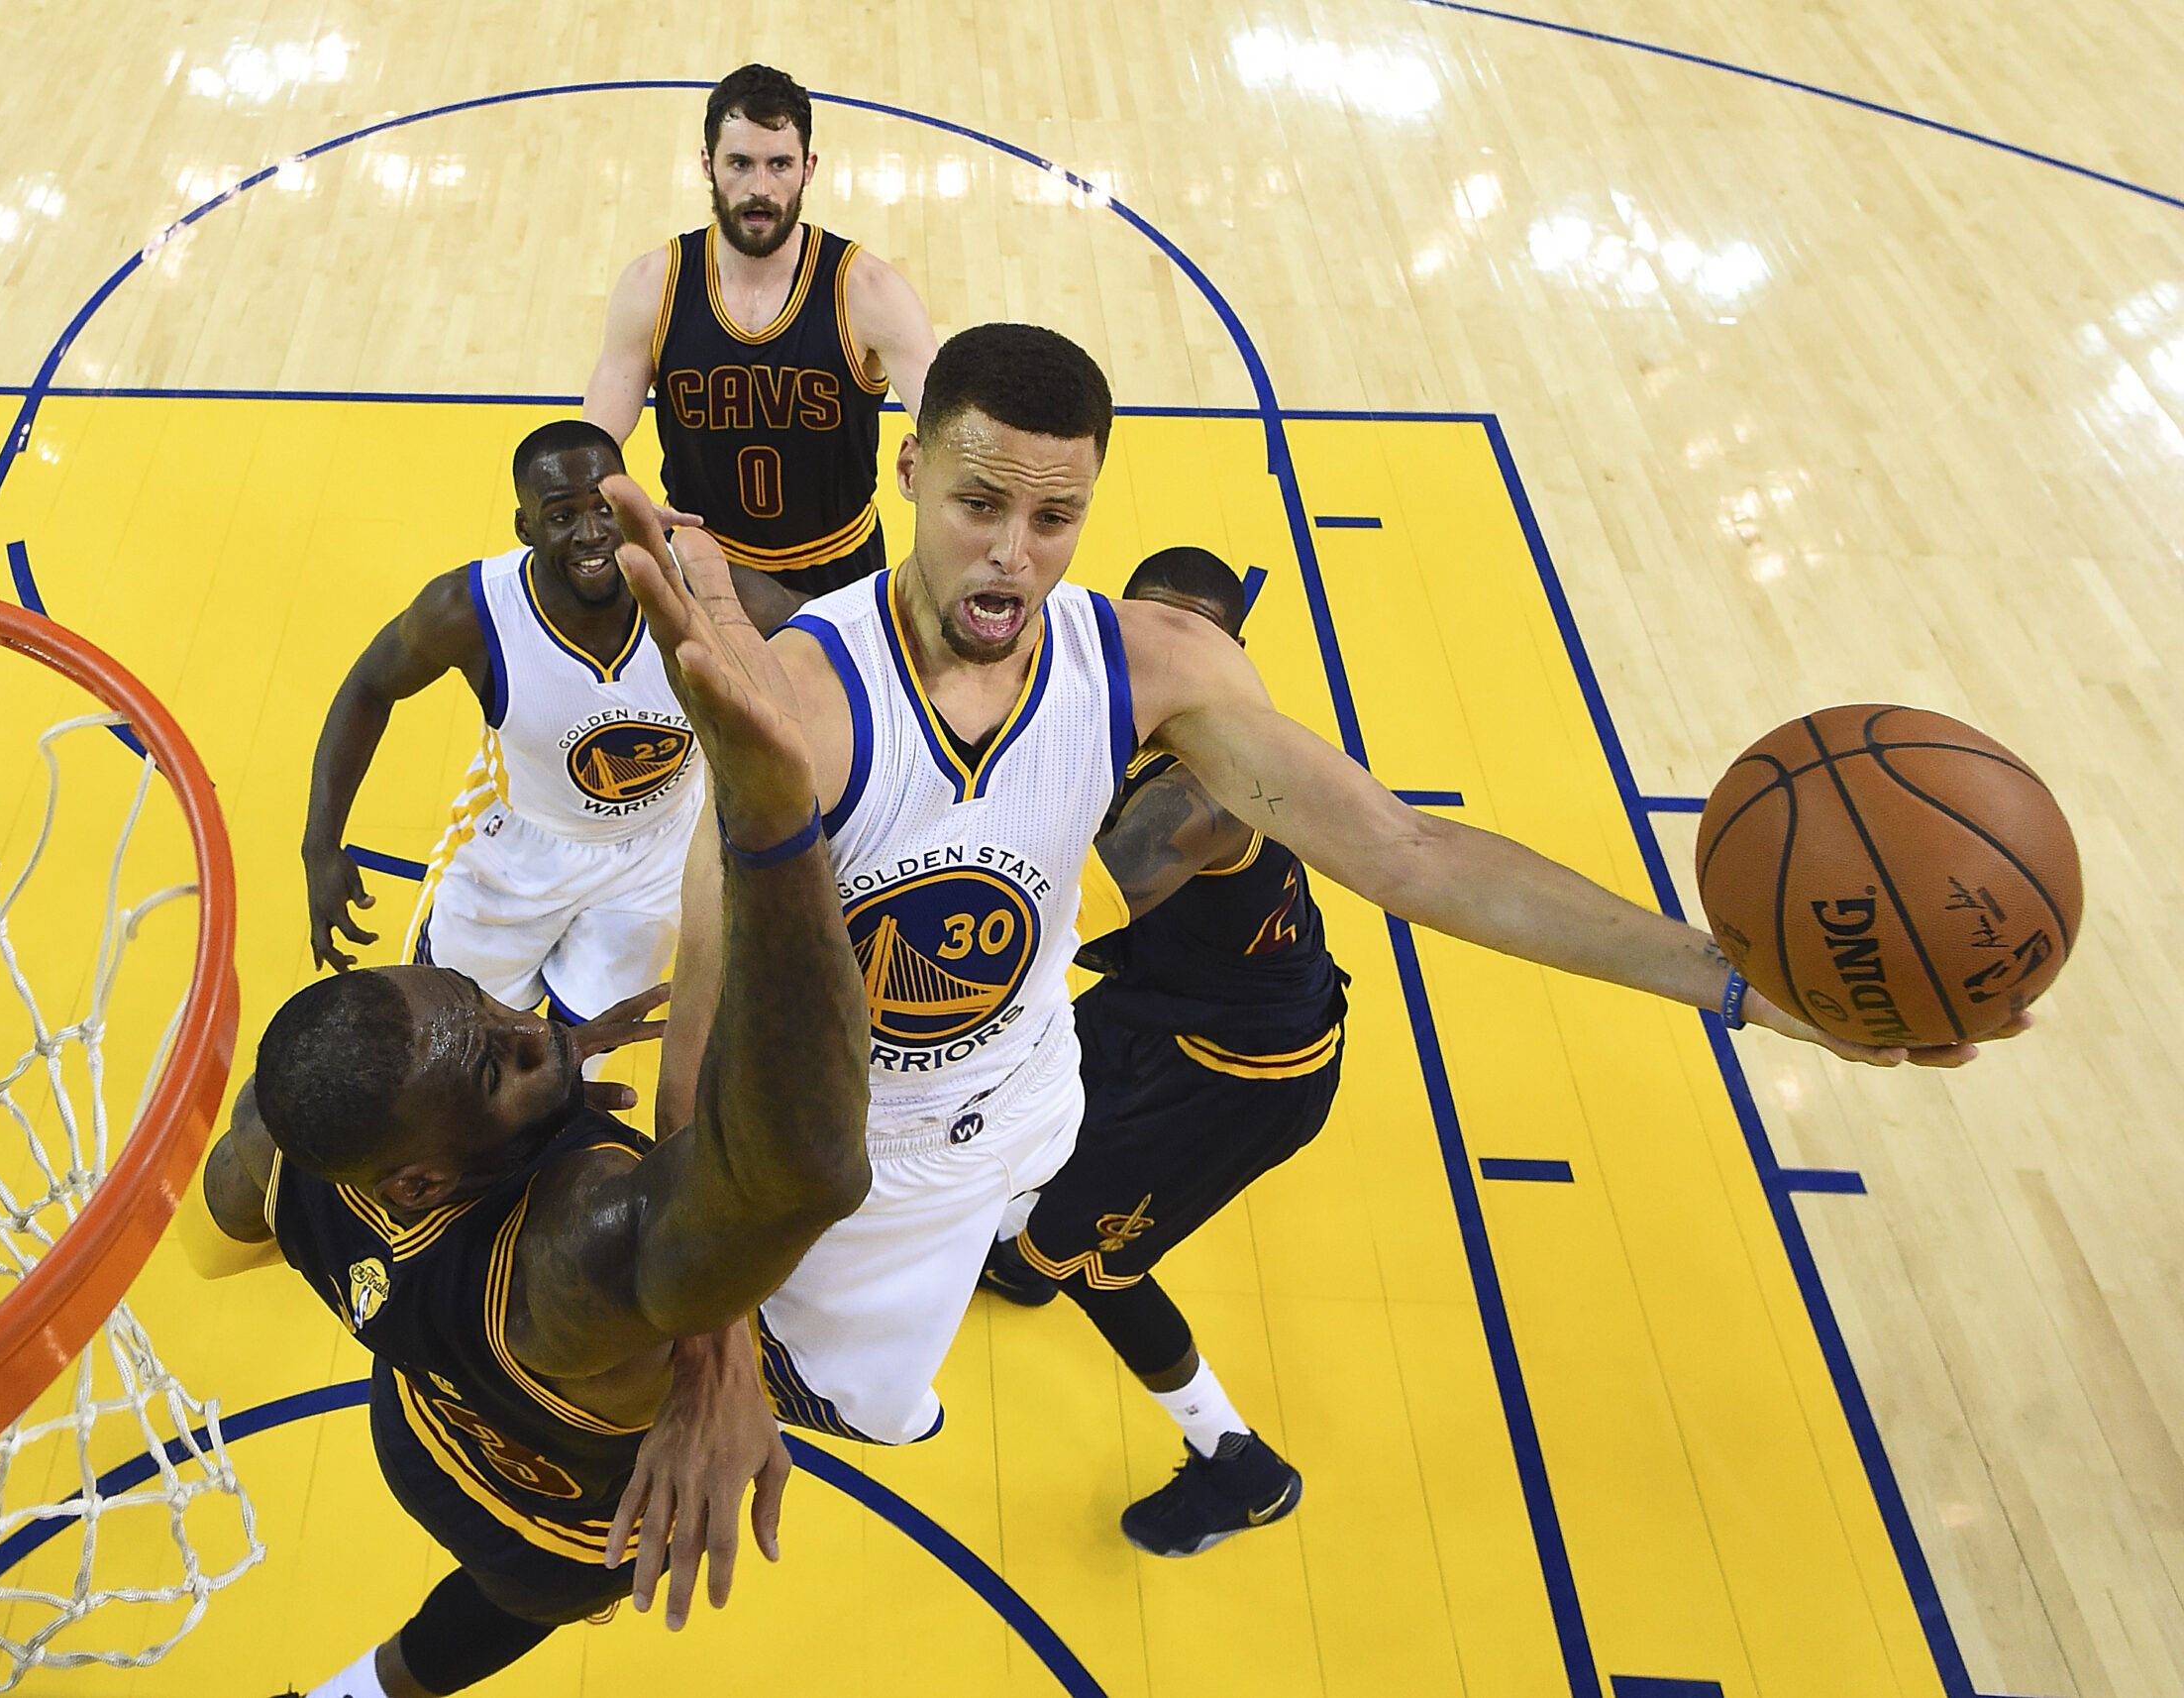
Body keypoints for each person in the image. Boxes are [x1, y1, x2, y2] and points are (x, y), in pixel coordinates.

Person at [652, 320, 2019, 1455]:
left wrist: (1744, 985)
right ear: (910, 474)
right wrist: (706, 1341)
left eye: (1056, 515)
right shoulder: (805, 711)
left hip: (1028, 1088)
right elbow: (702, 1031)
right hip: (859, 1151)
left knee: (991, 1285)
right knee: (847, 1408)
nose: (1015, 551)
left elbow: (1412, 855)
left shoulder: (1156, 664)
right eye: (979, 504)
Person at [184, 478, 871, 1698]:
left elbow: (229, 1208)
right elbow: (804, 1170)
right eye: (502, 1058)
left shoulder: (293, 1146)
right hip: (563, 1519)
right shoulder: (576, 1246)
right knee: (514, 1600)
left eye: (488, 1005)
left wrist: (535, 1076)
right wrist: (769, 829)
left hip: (421, 1428)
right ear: (420, 1174)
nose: (536, 1029)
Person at [976, 547, 1338, 1556]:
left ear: (1228, 653)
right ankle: (1027, 1257)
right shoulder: (1113, 714)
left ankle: (1239, 1466)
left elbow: (1041, 926)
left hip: (1235, 1078)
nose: (1159, 652)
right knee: (1019, 1101)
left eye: (1193, 635)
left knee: (1108, 1269)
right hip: (1162, 1010)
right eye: (1144, 625)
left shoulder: (1203, 794)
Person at [302, 421, 701, 1033]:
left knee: (583, 1047)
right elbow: (368, 687)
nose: (590, 534)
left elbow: (818, 641)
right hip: (517, 851)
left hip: (658, 851)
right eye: (562, 516)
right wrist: (319, 844)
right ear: (525, 528)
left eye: (603, 509)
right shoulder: (469, 611)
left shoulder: (701, 588)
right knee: (453, 1038)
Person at [583, 63, 936, 599]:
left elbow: (950, 428)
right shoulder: (653, 286)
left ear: (808, 168)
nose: (760, 189)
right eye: (740, 164)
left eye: (780, 165)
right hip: (704, 566)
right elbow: (595, 443)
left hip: (841, 570)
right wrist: (615, 499)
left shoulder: (867, 291)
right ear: (708, 164)